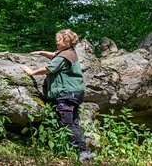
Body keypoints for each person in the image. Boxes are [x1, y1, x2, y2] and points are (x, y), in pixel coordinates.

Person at [20, 29, 95, 162]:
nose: (56, 41)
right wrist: (42, 52)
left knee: (67, 123)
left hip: (67, 94)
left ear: (66, 41)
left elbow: (48, 68)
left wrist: (31, 72)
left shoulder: (64, 55)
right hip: (74, 93)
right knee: (73, 123)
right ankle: (84, 152)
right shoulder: (69, 53)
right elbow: (55, 56)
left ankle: (83, 152)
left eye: (59, 39)